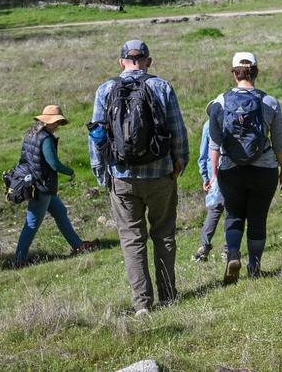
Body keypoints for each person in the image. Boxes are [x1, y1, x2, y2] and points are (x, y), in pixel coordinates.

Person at [89, 40, 189, 315]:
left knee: (132, 239)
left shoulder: (106, 89)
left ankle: (142, 304)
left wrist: (102, 173)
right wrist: (179, 162)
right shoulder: (161, 87)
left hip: (121, 175)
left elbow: (96, 135)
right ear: (148, 60)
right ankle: (168, 296)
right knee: (164, 235)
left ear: (121, 61)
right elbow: (177, 128)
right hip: (159, 173)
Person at [206, 52, 282, 284]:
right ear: (256, 72)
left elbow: (214, 144)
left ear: (234, 73)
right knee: (257, 217)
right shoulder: (269, 102)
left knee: (233, 215)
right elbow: (280, 142)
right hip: (264, 170)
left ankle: (233, 253)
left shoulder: (220, 102)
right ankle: (254, 266)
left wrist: (214, 174)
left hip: (230, 170)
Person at [12, 105, 96, 268]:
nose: (58, 125)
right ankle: (19, 260)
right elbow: (54, 164)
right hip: (43, 186)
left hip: (36, 183)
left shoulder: (31, 133)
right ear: (49, 122)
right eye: (56, 122)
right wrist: (70, 171)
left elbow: (25, 157)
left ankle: (78, 245)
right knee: (32, 224)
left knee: (60, 212)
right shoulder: (46, 138)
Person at [193, 128, 225, 263]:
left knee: (214, 209)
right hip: (235, 169)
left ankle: (204, 247)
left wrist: (206, 177)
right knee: (232, 213)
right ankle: (228, 250)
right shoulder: (236, 116)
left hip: (215, 174)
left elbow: (204, 155)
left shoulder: (208, 125)